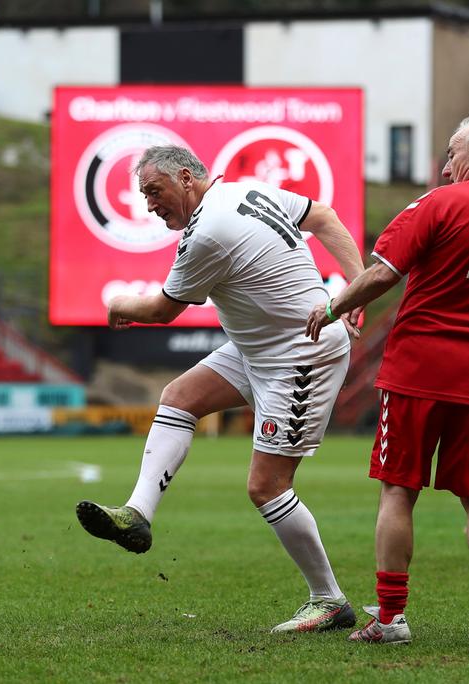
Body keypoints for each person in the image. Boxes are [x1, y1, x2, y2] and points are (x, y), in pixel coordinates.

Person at [76, 145, 364, 633]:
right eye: (144, 194)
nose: (149, 204)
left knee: (266, 487)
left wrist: (119, 303)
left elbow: (163, 312)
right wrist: (358, 285)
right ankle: (137, 514)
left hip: (300, 355)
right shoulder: (244, 190)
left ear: (186, 178)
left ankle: (329, 601)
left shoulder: (206, 231)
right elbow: (325, 216)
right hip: (261, 348)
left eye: (154, 191)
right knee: (179, 397)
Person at [306, 117, 469, 644]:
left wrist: (334, 305)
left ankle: (391, 618)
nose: (445, 166)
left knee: (398, 490)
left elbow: (383, 272)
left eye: (452, 153)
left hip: (419, 371)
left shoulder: (437, 205)